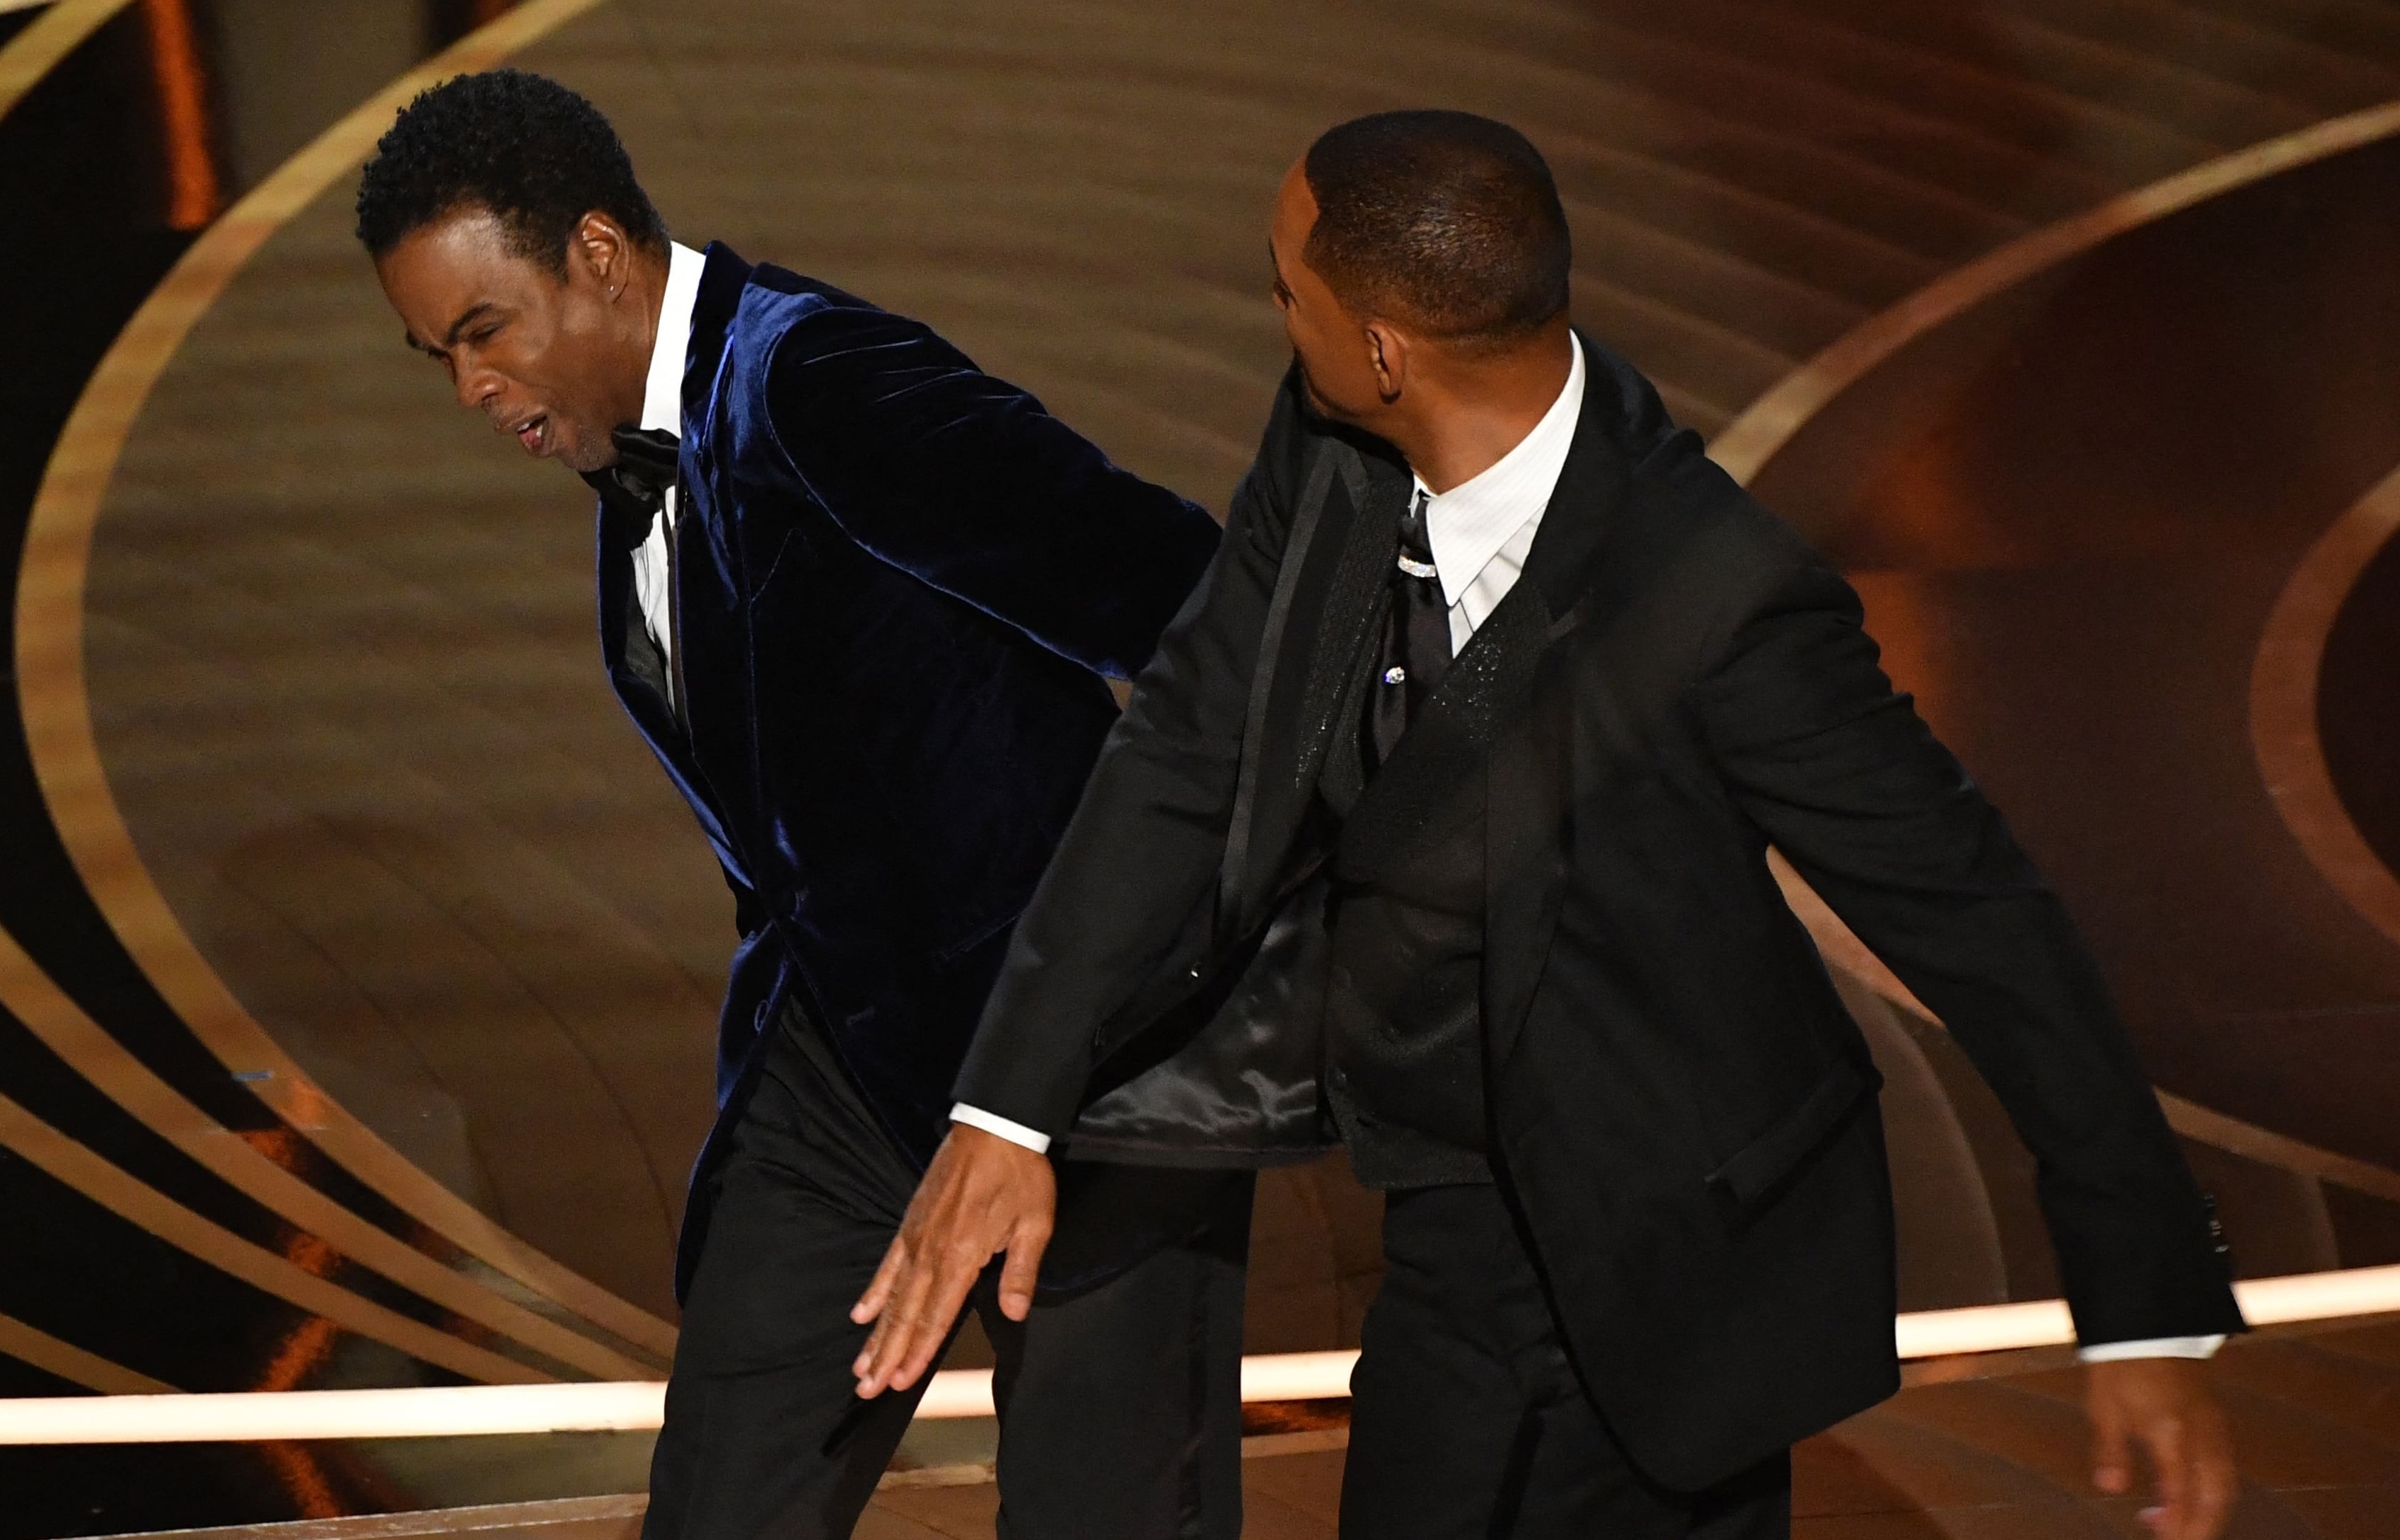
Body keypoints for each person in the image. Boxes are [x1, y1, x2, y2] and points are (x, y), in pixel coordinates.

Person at [854, 110, 2246, 1539]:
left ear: (1386, 348)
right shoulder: (1330, 441)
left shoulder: (1720, 601)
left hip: (1675, 1234)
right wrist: (1005, 1107)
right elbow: (1189, 742)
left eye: (1287, 285)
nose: (1276, 310)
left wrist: (2144, 1309)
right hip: (1452, 1218)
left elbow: (1977, 915)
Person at [354, 70, 1248, 1540]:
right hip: (845, 1069)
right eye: (433, 355)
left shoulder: (823, 385)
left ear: (595, 255)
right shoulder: (637, 473)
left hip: (1086, 1061)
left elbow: (1178, 600)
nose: (469, 389)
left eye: (482, 333)